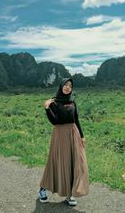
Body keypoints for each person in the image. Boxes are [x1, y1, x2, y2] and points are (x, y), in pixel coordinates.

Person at [39, 78, 89, 206]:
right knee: (57, 162)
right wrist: (47, 108)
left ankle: (69, 194)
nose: (67, 87)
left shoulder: (72, 102)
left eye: (70, 86)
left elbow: (76, 119)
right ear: (61, 86)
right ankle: (43, 189)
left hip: (73, 133)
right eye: (65, 85)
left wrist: (82, 136)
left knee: (76, 162)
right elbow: (55, 121)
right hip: (60, 135)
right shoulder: (54, 102)